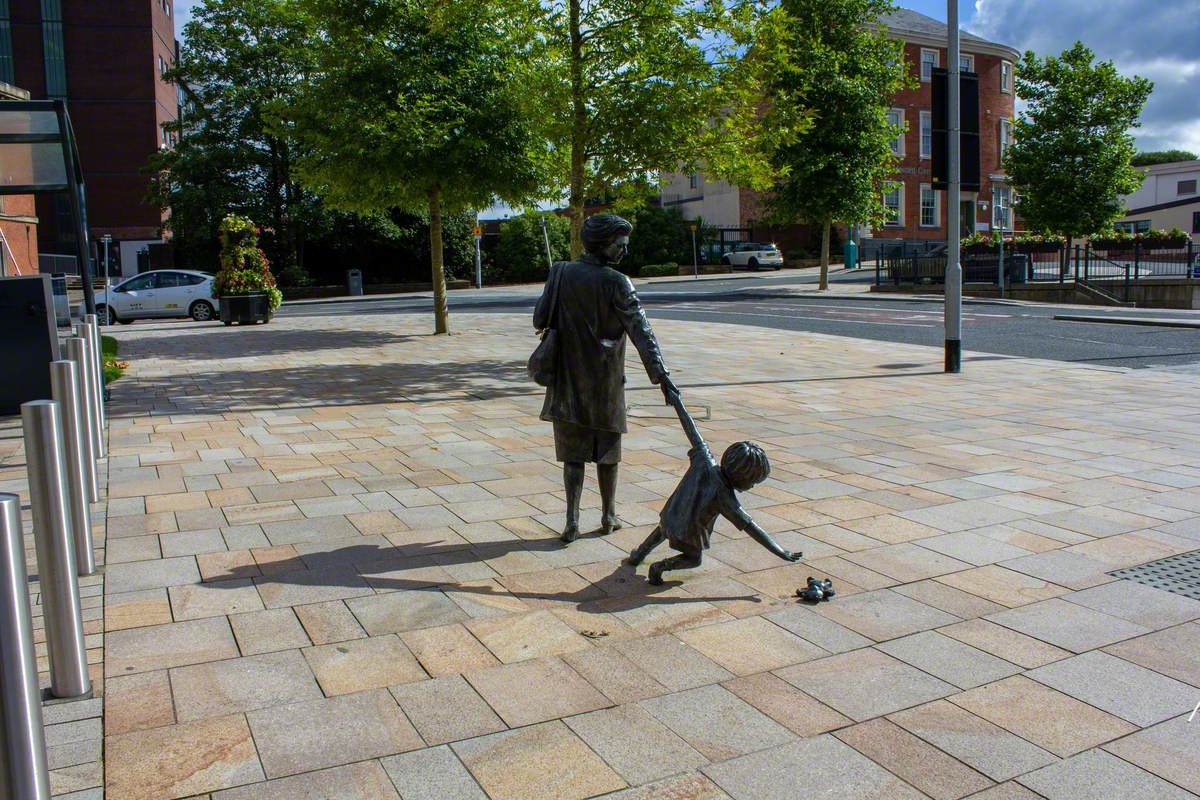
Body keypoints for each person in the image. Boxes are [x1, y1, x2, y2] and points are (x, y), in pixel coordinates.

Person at [534, 214, 678, 543]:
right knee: (607, 454)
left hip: (568, 380)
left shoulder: (560, 273)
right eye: (620, 244)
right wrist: (662, 375)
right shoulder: (617, 282)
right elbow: (642, 331)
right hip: (605, 382)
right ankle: (608, 515)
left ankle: (571, 521)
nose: (625, 250)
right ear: (603, 244)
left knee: (573, 455)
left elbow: (539, 318)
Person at [627, 391, 802, 584]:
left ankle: (639, 554)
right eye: (752, 482)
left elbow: (691, 429)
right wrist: (780, 551)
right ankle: (660, 567)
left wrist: (676, 400)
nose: (752, 487)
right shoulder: (726, 498)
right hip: (689, 533)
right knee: (694, 559)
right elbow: (752, 529)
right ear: (741, 476)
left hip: (671, 513)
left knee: (662, 529)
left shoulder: (704, 459)